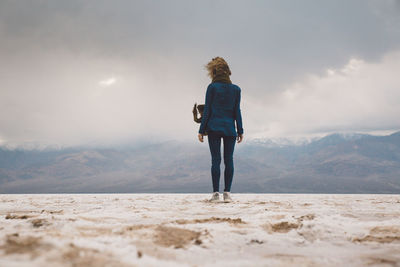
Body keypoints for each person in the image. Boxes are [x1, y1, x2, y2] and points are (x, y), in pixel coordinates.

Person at [198, 57, 244, 203]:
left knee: (216, 161)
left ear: (214, 72)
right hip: (230, 129)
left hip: (214, 128)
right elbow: (237, 110)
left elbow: (207, 112)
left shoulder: (212, 88)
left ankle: (215, 194)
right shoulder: (236, 89)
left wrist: (201, 130)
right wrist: (240, 130)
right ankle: (227, 194)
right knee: (229, 160)